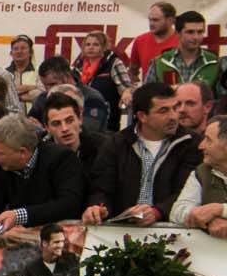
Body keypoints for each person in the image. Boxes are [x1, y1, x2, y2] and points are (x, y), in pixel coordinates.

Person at [84, 81, 200, 224]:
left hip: (171, 228)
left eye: (174, 108)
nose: (174, 116)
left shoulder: (191, 143)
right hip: (121, 229)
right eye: (163, 111)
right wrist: (98, 208)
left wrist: (157, 212)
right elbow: (101, 189)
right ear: (142, 116)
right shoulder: (117, 143)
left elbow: (185, 193)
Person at [0, 113, 85, 233]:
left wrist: (19, 216)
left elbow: (68, 204)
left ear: (22, 152)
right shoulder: (0, 164)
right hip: (19, 239)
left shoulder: (61, 159)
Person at [169, 116, 227, 239]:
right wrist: (206, 218)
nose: (201, 146)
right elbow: (177, 211)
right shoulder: (202, 172)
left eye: (208, 140)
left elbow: (218, 210)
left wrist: (221, 210)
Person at [31, 56, 111, 133]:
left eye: (52, 84)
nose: (48, 90)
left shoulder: (92, 98)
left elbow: (87, 131)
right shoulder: (42, 99)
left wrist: (44, 131)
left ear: (67, 77)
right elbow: (29, 123)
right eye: (45, 85)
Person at [39, 90, 108, 177]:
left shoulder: (102, 148)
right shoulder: (41, 155)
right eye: (56, 124)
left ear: (80, 119)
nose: (65, 129)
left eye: (70, 121)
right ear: (47, 127)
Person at [148, 9, 220, 91]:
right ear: (177, 33)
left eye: (200, 32)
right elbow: (147, 97)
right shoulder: (160, 62)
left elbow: (222, 99)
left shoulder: (215, 62)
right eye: (190, 32)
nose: (196, 37)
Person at [128, 0, 180, 78]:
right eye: (150, 19)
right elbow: (133, 70)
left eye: (156, 20)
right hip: (149, 89)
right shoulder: (140, 40)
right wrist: (133, 86)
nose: (151, 23)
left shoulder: (182, 41)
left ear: (170, 20)